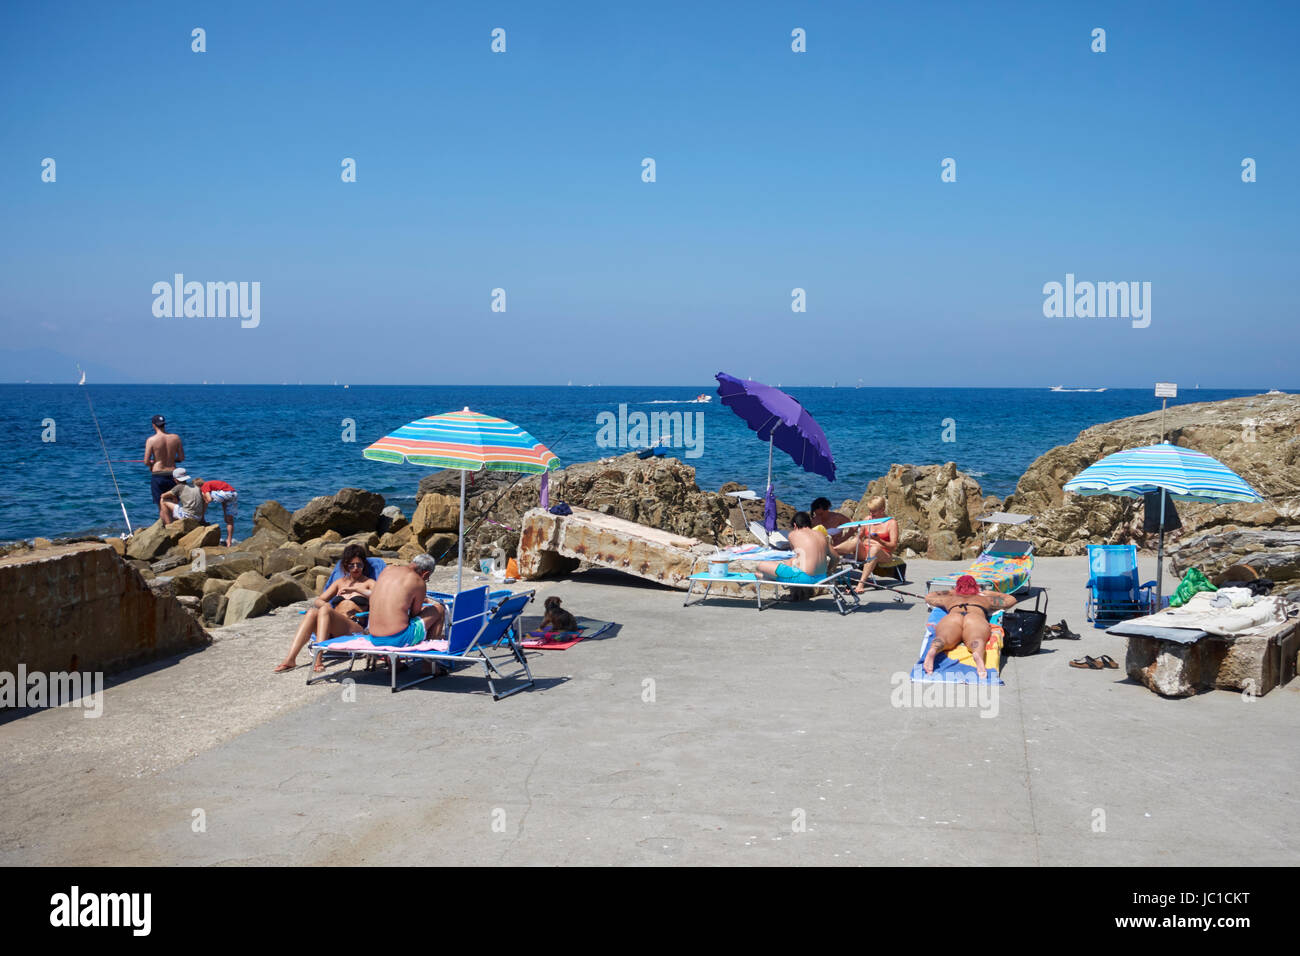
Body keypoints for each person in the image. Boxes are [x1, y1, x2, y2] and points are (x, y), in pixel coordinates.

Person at [275, 544, 377, 673]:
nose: (356, 568)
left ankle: (318, 658)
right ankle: (290, 659)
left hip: (354, 627)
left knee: (325, 610)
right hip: (330, 626)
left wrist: (357, 589)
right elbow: (319, 600)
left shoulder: (369, 583)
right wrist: (325, 605)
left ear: (364, 565)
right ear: (346, 565)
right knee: (313, 611)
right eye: (352, 565)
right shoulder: (339, 582)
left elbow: (380, 597)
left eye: (359, 565)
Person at [923, 574, 1017, 679]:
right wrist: (988, 592)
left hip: (954, 616)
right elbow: (1011, 600)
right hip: (974, 616)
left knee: (943, 637)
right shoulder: (984, 599)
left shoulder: (950, 598)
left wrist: (952, 592)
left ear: (957, 587)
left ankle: (934, 649)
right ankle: (977, 654)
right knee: (977, 638)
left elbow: (929, 597)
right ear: (975, 587)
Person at [367, 554, 447, 649]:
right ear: (425, 574)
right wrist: (425, 610)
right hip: (398, 639)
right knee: (440, 608)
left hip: (374, 638)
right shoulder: (418, 581)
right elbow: (415, 615)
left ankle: (398, 664)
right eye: (427, 579)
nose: (425, 580)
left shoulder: (387, 570)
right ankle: (429, 661)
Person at [836, 496, 899, 594]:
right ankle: (831, 550)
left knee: (875, 549)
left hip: (883, 553)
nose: (871, 514)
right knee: (856, 541)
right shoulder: (868, 519)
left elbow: (893, 546)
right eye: (870, 511)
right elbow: (859, 537)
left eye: (873, 511)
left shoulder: (891, 523)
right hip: (865, 552)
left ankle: (861, 584)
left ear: (882, 509)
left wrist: (879, 540)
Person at [757, 511, 828, 586]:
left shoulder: (793, 534)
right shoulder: (821, 535)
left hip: (804, 580)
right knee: (792, 561)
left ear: (795, 525)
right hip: (822, 578)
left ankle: (767, 577)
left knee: (762, 565)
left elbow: (794, 556)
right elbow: (835, 557)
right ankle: (768, 577)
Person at [144, 414, 184, 524]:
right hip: (173, 474)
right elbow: (181, 458)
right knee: (174, 503)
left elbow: (146, 461)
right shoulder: (176, 438)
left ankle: (168, 530)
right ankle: (178, 528)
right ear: (164, 425)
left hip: (158, 475)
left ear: (153, 425)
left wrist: (152, 464)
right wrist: (171, 459)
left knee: (162, 504)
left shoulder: (151, 440)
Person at [195, 477, 239, 547]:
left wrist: (204, 499)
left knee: (205, 495)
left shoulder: (204, 486)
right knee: (229, 520)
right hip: (233, 494)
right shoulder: (210, 484)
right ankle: (229, 541)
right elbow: (223, 501)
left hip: (226, 494)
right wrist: (225, 513)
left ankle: (202, 517)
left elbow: (209, 500)